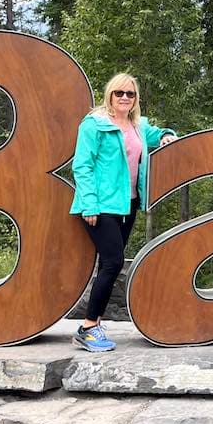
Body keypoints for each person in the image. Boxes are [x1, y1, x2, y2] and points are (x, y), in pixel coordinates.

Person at [69, 73, 178, 352]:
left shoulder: (138, 125)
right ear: (109, 94)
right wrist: (90, 204)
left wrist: (167, 135)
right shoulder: (94, 124)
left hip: (127, 205)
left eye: (130, 94)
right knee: (113, 262)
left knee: (111, 263)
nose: (125, 98)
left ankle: (96, 324)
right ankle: (88, 327)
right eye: (120, 93)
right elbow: (82, 165)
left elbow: (159, 133)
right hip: (100, 206)